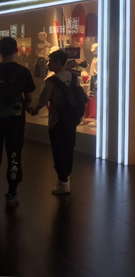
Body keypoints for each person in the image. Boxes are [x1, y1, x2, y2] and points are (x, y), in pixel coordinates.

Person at [27, 50, 83, 195]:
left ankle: (62, 181)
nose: (48, 64)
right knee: (69, 148)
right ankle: (67, 178)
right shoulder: (74, 77)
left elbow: (43, 100)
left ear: (57, 62)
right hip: (71, 119)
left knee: (58, 149)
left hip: (57, 120)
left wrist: (34, 109)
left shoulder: (51, 81)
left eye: (50, 61)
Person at [0, 37, 36, 208]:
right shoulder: (23, 72)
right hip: (15, 121)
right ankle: (12, 193)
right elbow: (29, 97)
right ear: (16, 51)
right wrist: (23, 108)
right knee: (14, 155)